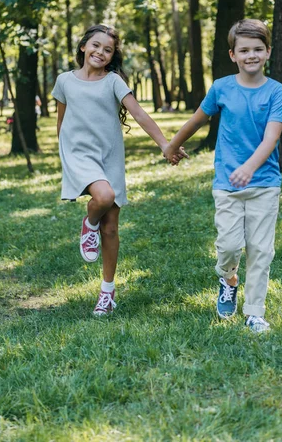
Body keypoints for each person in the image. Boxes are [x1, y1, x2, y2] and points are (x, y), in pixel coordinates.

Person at [51, 24, 186, 318]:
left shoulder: (113, 81)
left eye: (108, 49)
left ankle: (107, 293)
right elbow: (61, 122)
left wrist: (166, 144)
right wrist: (66, 159)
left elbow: (138, 113)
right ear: (84, 46)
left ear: (112, 57)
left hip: (109, 156)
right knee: (103, 195)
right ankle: (89, 223)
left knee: (111, 228)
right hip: (79, 154)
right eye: (96, 45)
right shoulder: (65, 81)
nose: (100, 52)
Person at [164, 19, 282, 333]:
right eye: (244, 50)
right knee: (230, 247)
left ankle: (255, 313)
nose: (251, 55)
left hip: (265, 182)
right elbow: (197, 120)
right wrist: (172, 146)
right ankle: (229, 278)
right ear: (233, 54)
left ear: (268, 52)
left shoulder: (277, 91)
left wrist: (249, 167)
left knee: (261, 249)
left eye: (258, 49)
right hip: (227, 184)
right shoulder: (221, 87)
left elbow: (271, 138)